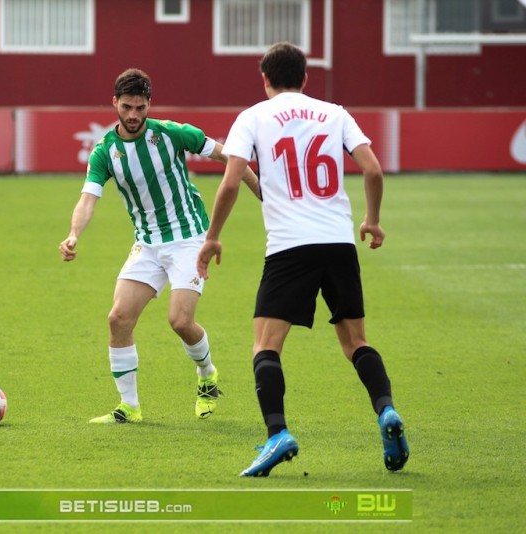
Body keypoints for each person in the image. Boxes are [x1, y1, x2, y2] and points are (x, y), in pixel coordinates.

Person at [197, 42, 409, 476]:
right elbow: (372, 169)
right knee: (356, 343)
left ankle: (277, 434)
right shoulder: (334, 112)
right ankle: (386, 411)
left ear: (265, 78)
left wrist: (213, 236)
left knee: (266, 345)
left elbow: (232, 182)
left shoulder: (252, 117)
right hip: (338, 243)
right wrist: (372, 220)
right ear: (305, 78)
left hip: (290, 247)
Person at [59, 68, 260, 424]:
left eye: (139, 107)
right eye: (126, 107)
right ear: (115, 104)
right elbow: (88, 198)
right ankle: (129, 407)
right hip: (148, 244)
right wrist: (74, 234)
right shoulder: (106, 151)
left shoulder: (172, 134)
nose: (133, 115)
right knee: (118, 318)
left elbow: (233, 159)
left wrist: (266, 197)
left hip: (190, 240)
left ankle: (207, 375)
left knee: (180, 321)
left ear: (149, 104)